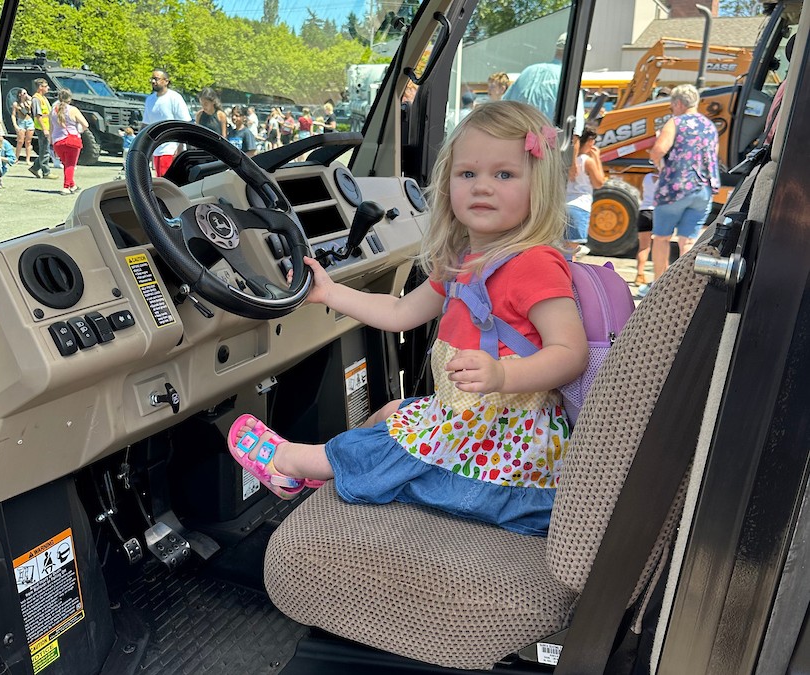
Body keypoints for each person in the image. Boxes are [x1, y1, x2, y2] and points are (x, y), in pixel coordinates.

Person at [227, 101, 588, 536]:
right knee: (391, 411)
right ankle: (331, 464)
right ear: (448, 183)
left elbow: (571, 354)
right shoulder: (462, 261)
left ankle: (291, 463)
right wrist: (330, 292)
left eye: (504, 175)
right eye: (467, 174)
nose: (482, 187)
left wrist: (502, 373)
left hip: (507, 451)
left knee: (388, 448)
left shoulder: (534, 263)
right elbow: (400, 313)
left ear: (540, 186)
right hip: (474, 422)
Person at [642, 84, 719, 297]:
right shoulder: (709, 126)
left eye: (671, 106)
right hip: (702, 189)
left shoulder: (675, 122)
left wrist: (659, 163)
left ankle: (659, 285)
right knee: (688, 241)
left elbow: (659, 149)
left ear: (677, 103)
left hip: (675, 189)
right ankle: (683, 286)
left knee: (662, 238)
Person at [503, 33, 585, 137]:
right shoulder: (569, 79)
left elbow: (503, 108)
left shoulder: (528, 71)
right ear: (577, 52)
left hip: (516, 141)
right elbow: (574, 132)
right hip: (549, 147)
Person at [142, 69, 192, 177]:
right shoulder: (149, 100)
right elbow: (145, 125)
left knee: (169, 181)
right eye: (152, 78)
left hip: (171, 148)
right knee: (159, 180)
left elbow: (184, 123)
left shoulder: (175, 98)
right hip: (156, 148)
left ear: (166, 81)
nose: (153, 81)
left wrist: (180, 146)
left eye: (157, 79)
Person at [565, 125, 604, 257]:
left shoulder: (567, 159)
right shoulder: (587, 161)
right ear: (590, 141)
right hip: (580, 206)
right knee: (572, 252)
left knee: (560, 248)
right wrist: (597, 158)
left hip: (563, 204)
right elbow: (599, 182)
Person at [49, 88, 89, 195]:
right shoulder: (73, 110)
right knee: (71, 165)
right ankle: (66, 186)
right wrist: (79, 130)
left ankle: (72, 185)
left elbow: (51, 128)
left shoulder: (53, 110)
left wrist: (51, 141)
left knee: (66, 164)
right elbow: (85, 124)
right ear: (69, 99)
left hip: (57, 141)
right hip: (71, 140)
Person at [634, 172, 657, 286]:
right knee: (659, 246)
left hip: (644, 211)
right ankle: (658, 277)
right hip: (659, 212)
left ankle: (639, 275)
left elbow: (643, 195)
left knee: (643, 247)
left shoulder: (647, 177)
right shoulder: (667, 177)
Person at [29, 78, 55, 179]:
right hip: (42, 128)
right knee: (45, 150)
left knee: (45, 150)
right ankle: (46, 172)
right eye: (46, 86)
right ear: (40, 87)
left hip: (47, 127)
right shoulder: (36, 99)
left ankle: (35, 168)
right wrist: (44, 129)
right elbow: (38, 115)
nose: (48, 88)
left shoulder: (43, 98)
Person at [11, 88, 34, 162]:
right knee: (20, 141)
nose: (25, 95)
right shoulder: (16, 104)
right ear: (19, 94)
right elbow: (13, 115)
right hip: (21, 122)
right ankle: (16, 158)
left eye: (26, 93)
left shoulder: (29, 102)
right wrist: (15, 125)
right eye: (24, 93)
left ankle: (28, 159)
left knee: (28, 141)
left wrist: (27, 96)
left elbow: (34, 101)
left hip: (29, 121)